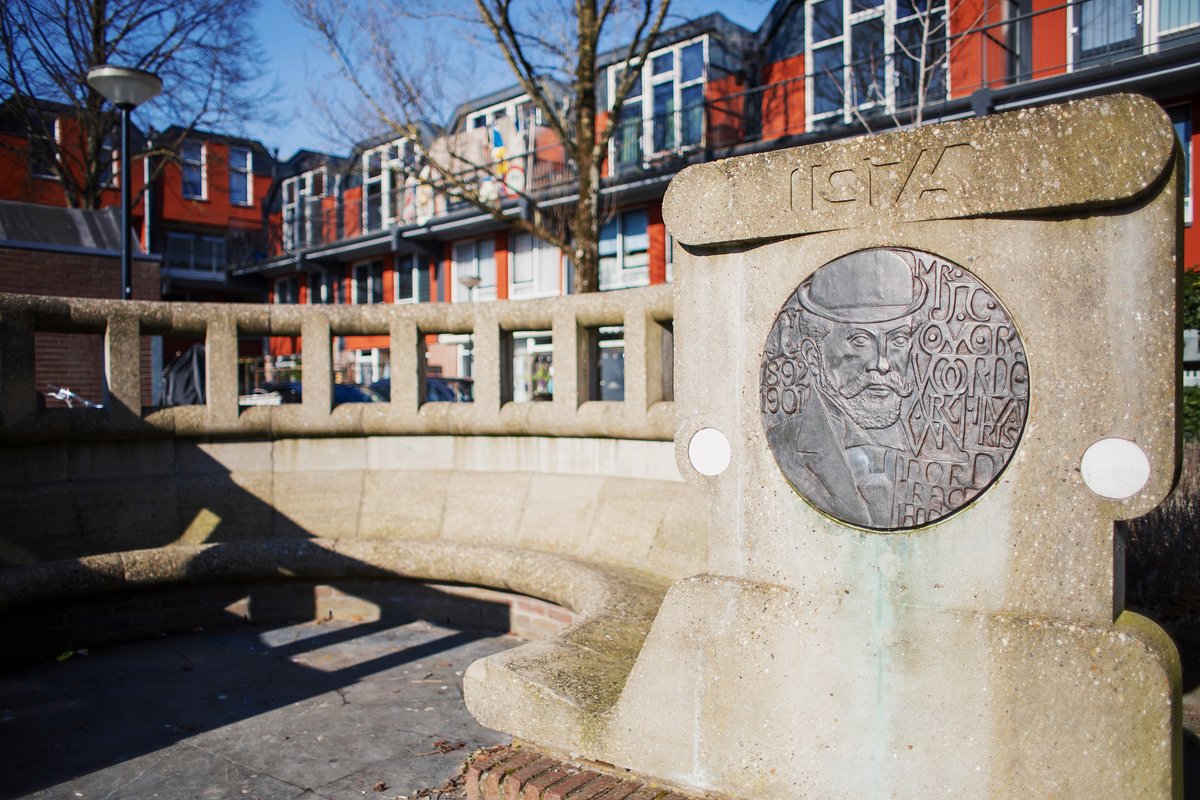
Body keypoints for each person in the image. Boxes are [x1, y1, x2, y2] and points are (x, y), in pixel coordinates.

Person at [765, 249, 926, 529]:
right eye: (860, 341)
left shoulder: (943, 446)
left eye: (898, 340)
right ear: (813, 356)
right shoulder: (785, 444)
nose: (882, 364)